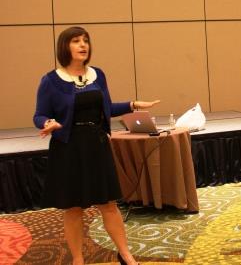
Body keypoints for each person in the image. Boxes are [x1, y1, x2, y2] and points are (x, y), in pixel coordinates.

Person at [33, 26, 159, 264]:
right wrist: (48, 122)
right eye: (76, 41)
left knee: (108, 204)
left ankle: (126, 255)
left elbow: (107, 108)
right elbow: (39, 115)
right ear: (65, 47)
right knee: (73, 209)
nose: (83, 45)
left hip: (96, 145)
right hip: (68, 148)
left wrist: (133, 104)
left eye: (86, 41)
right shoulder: (50, 81)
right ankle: (78, 259)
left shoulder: (97, 75)